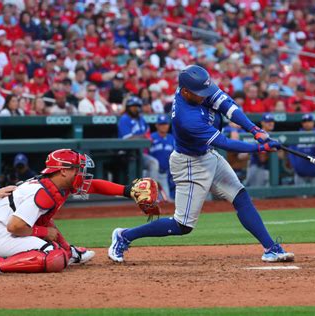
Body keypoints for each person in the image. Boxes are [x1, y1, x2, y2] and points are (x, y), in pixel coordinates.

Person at [109, 65, 293, 264]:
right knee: (182, 225)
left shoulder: (197, 85)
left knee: (240, 196)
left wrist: (255, 130)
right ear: (186, 92)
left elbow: (228, 106)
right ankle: (124, 236)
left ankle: (270, 248)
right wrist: (260, 148)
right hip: (190, 164)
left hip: (207, 155)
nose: (206, 95)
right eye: (200, 94)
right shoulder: (186, 118)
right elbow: (224, 143)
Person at [0, 149, 148, 274]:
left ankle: (69, 252)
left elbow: (94, 185)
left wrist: (126, 191)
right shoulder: (42, 192)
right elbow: (15, 226)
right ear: (63, 171)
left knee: (59, 248)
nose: (81, 173)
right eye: (77, 169)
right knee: (53, 256)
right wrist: (43, 232)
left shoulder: (55, 185)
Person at [118, 96, 160, 183]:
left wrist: (145, 137)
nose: (136, 108)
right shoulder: (124, 119)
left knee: (153, 163)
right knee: (151, 163)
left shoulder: (141, 119)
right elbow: (128, 138)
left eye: (137, 106)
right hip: (126, 153)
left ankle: (150, 191)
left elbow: (147, 134)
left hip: (139, 153)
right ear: (128, 108)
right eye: (133, 106)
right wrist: (143, 137)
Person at [242, 113, 277, 187]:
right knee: (257, 195)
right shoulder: (258, 134)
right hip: (258, 167)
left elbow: (280, 156)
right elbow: (262, 158)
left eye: (272, 121)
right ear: (262, 123)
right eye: (268, 122)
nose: (271, 124)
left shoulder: (274, 135)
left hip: (271, 169)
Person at [149, 114, 175, 200]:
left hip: (165, 174)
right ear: (156, 125)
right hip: (152, 174)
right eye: (161, 124)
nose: (164, 126)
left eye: (165, 124)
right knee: (152, 198)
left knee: (166, 200)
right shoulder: (151, 137)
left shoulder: (172, 138)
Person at [288, 114, 315, 186]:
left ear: (313, 122)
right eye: (305, 121)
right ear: (302, 123)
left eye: (309, 121)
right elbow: (291, 153)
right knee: (300, 196)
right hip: (300, 174)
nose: (307, 123)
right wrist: (296, 168)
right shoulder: (296, 136)